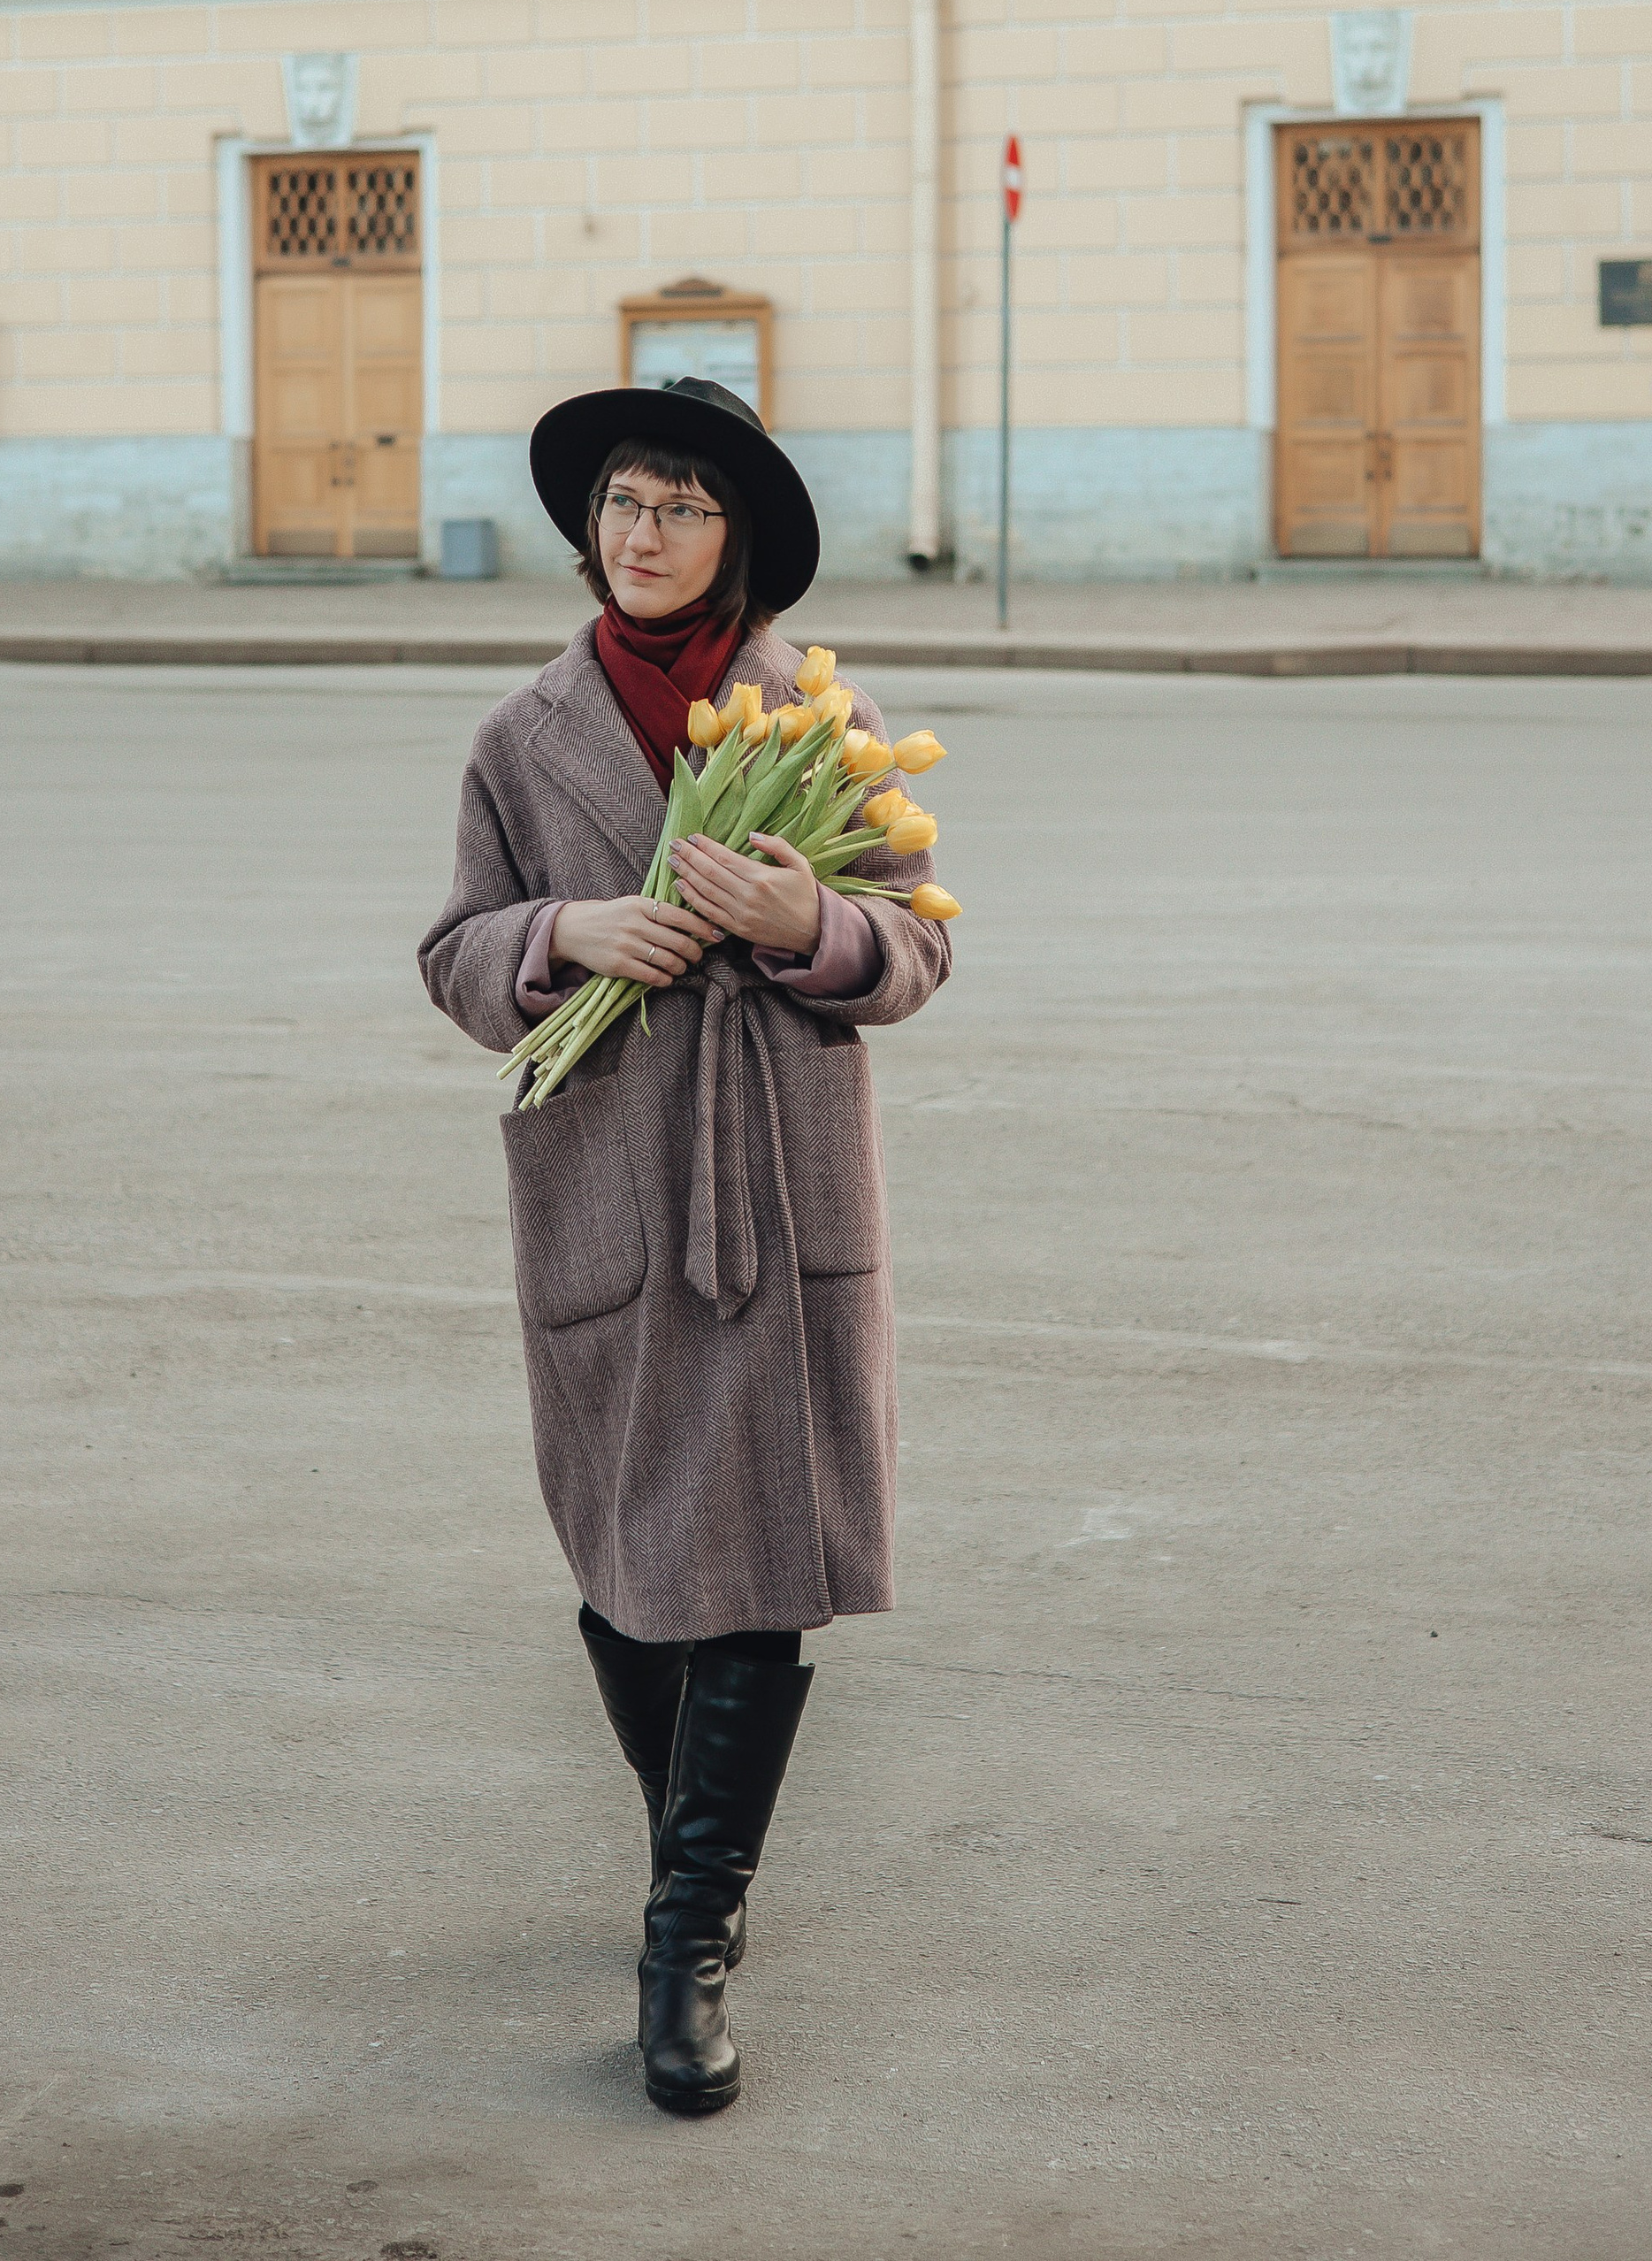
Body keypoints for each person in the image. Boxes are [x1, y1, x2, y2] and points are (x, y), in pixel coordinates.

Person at [417, 377, 952, 2117]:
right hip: (604, 1177)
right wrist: (565, 930)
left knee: (758, 1563)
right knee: (628, 1558)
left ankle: (687, 1930)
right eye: (622, 507)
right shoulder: (519, 736)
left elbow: (917, 942)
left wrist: (810, 919)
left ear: (735, 540)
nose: (641, 536)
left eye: (679, 509)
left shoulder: (818, 712)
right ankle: (687, 1841)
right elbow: (452, 952)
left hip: (781, 1185)